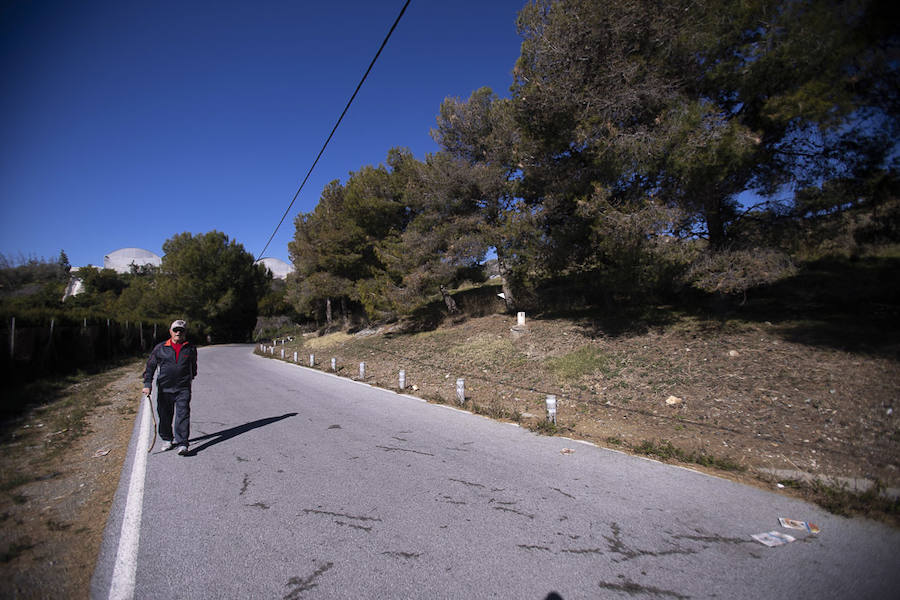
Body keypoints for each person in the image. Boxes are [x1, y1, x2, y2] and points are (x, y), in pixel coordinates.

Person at [142, 319, 198, 455]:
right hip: (164, 388)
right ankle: (167, 439)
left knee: (182, 415)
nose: (178, 333)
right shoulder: (160, 348)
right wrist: (147, 384)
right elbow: (150, 367)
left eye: (181, 330)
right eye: (176, 330)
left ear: (185, 332)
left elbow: (193, 365)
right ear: (170, 332)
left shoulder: (190, 348)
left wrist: (191, 377)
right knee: (165, 415)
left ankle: (182, 443)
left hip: (183, 388)